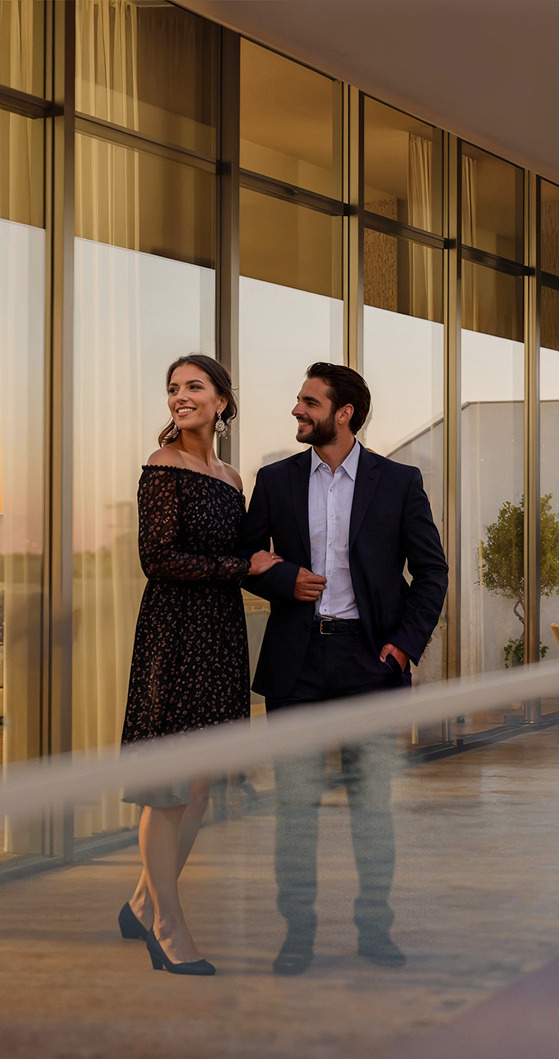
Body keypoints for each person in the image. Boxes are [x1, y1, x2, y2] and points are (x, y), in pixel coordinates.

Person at [239, 362, 448, 976]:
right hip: (296, 664)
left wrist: (404, 645)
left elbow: (431, 572)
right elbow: (245, 553)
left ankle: (375, 930)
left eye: (309, 402)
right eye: (300, 402)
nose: (297, 411)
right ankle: (297, 934)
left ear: (344, 412)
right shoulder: (274, 480)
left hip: (370, 663)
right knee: (295, 809)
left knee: (371, 808)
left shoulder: (399, 481)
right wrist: (284, 577)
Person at [119, 354, 282, 976]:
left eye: (194, 387)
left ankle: (139, 902)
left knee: (200, 783)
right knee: (166, 787)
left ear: (221, 400)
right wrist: (244, 568)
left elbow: (244, 555)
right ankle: (167, 924)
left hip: (220, 634)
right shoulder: (162, 468)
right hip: (174, 633)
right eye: (172, 389)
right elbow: (157, 559)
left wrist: (268, 566)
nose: (180, 397)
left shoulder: (231, 475)